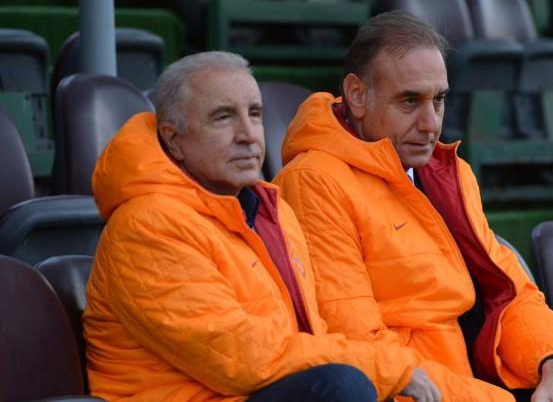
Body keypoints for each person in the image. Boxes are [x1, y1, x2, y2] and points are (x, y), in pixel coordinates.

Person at [83, 51, 452, 401]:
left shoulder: (270, 209)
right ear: (173, 138)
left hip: (251, 390)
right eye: (223, 117)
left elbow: (308, 336)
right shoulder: (148, 227)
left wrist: (386, 369)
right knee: (343, 386)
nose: (248, 134)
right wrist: (385, 368)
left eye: (255, 114)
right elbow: (241, 358)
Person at [273, 11, 553, 401]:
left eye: (438, 100)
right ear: (357, 95)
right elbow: (358, 344)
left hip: (481, 378)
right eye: (410, 101)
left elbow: (510, 289)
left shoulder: (448, 173)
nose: (430, 123)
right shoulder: (314, 181)